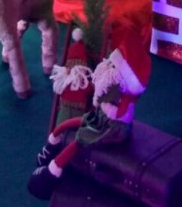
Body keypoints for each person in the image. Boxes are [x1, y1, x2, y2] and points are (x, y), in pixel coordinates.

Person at [28, 30, 151, 200]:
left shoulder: (118, 87)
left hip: (112, 128)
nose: (108, 64)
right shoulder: (112, 81)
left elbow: (101, 95)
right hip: (103, 116)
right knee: (71, 123)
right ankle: (52, 142)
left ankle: (52, 171)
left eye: (113, 65)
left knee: (81, 138)